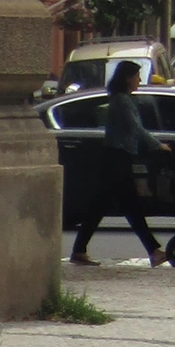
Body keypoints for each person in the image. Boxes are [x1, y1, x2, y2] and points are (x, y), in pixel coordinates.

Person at [70, 60, 168, 266]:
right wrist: (157, 145)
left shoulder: (121, 99)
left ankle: (79, 250)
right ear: (127, 78)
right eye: (137, 76)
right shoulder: (122, 101)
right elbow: (136, 128)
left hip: (115, 157)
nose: (139, 80)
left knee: (101, 205)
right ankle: (154, 250)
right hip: (117, 158)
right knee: (130, 205)